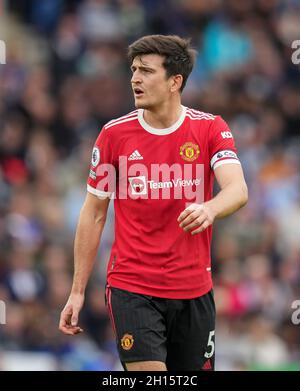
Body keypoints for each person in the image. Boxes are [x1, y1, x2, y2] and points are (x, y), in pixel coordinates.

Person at [59, 34, 248, 371]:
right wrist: (77, 291)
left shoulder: (209, 129)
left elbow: (237, 190)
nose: (135, 78)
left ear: (175, 81)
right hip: (133, 288)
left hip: (195, 291)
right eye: (133, 69)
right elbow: (94, 215)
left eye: (146, 71)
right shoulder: (114, 136)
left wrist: (209, 208)